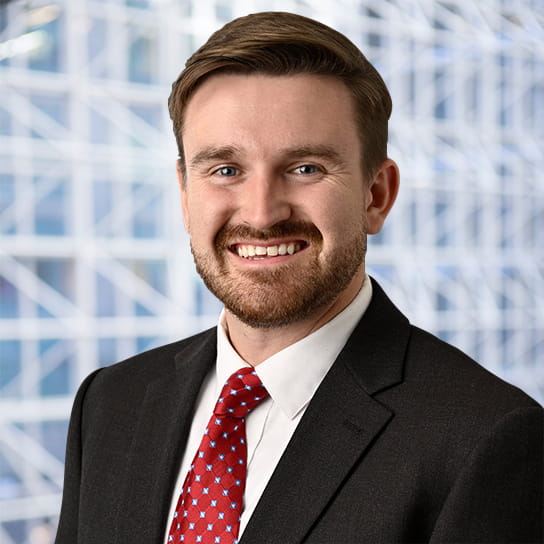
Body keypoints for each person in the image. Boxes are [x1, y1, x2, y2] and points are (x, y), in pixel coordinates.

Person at [55, 11, 543, 544]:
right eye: (225, 170)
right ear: (185, 194)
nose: (262, 214)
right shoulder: (110, 402)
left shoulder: (486, 437)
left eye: (306, 168)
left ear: (376, 196)